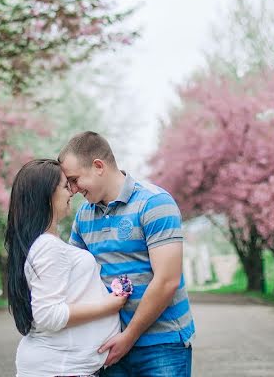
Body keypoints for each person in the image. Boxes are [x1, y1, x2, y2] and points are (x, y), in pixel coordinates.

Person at [59, 131, 195, 377]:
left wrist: (129, 336)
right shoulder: (84, 216)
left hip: (161, 344)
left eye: (75, 179)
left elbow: (167, 280)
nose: (73, 189)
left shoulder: (154, 203)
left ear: (98, 166)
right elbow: (75, 277)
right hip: (110, 343)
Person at [5, 159, 129, 377]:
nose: (72, 191)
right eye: (65, 186)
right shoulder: (47, 246)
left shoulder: (43, 243)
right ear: (46, 196)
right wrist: (109, 306)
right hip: (60, 368)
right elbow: (48, 315)